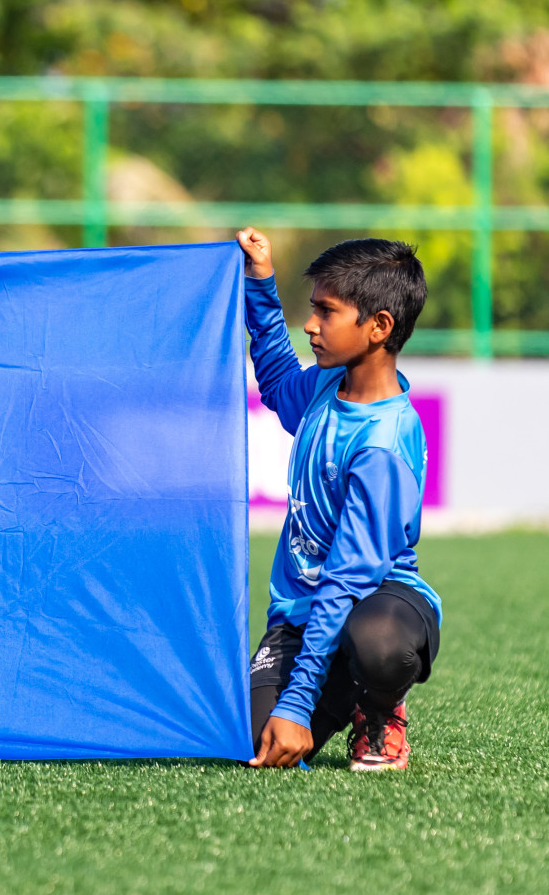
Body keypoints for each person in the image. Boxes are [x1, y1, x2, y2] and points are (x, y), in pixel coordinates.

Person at [236, 229, 441, 771]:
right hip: (301, 618)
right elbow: (280, 382)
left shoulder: (385, 444)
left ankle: (380, 707)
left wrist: (299, 702)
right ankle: (332, 687)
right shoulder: (329, 385)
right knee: (248, 740)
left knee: (377, 644)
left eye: (326, 312)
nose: (311, 324)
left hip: (375, 603)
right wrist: (261, 282)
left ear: (379, 327)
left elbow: (348, 579)